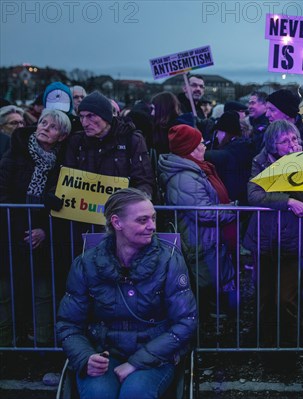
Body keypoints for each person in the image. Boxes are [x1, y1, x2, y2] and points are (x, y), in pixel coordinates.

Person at [56, 188, 197, 399]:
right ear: (117, 222)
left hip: (155, 352)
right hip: (104, 351)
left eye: (153, 218)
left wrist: (137, 362)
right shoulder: (86, 264)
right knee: (99, 394)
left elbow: (186, 321)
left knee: (135, 392)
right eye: (142, 220)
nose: (152, 226)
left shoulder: (169, 262)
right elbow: (68, 324)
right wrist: (85, 357)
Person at [244, 120, 303, 346]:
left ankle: (288, 346)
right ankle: (264, 344)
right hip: (265, 237)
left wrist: (297, 167)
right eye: (285, 141)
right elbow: (255, 195)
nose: (292, 144)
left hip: (293, 238)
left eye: (294, 139)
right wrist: (287, 201)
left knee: (287, 298)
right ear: (272, 145)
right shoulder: (260, 161)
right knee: (264, 296)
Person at [0, 109, 71, 346]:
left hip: (44, 238)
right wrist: (19, 227)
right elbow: (4, 191)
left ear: (61, 136)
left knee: (44, 292)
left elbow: (64, 205)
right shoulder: (15, 153)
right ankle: (7, 346)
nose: (44, 127)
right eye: (43, 122)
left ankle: (42, 346)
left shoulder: (64, 162)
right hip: (10, 233)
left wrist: (44, 230)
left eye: (52, 127)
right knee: (7, 292)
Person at [158, 124, 236, 319]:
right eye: (201, 143)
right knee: (204, 291)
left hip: (206, 240)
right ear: (189, 149)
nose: (205, 147)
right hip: (199, 242)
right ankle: (204, 339)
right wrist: (234, 210)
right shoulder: (185, 178)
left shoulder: (196, 170)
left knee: (211, 289)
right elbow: (203, 212)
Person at [63, 91, 155, 196]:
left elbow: (144, 181)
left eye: (90, 116)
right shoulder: (76, 141)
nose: (84, 123)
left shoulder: (132, 140)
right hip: (83, 207)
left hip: (121, 208)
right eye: (81, 116)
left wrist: (136, 203)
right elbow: (64, 177)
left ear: (105, 116)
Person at [205, 111, 254, 205]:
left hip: (237, 202)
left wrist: (199, 153)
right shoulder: (243, 146)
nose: (216, 136)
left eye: (218, 132)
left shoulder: (237, 149)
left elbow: (223, 156)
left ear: (224, 133)